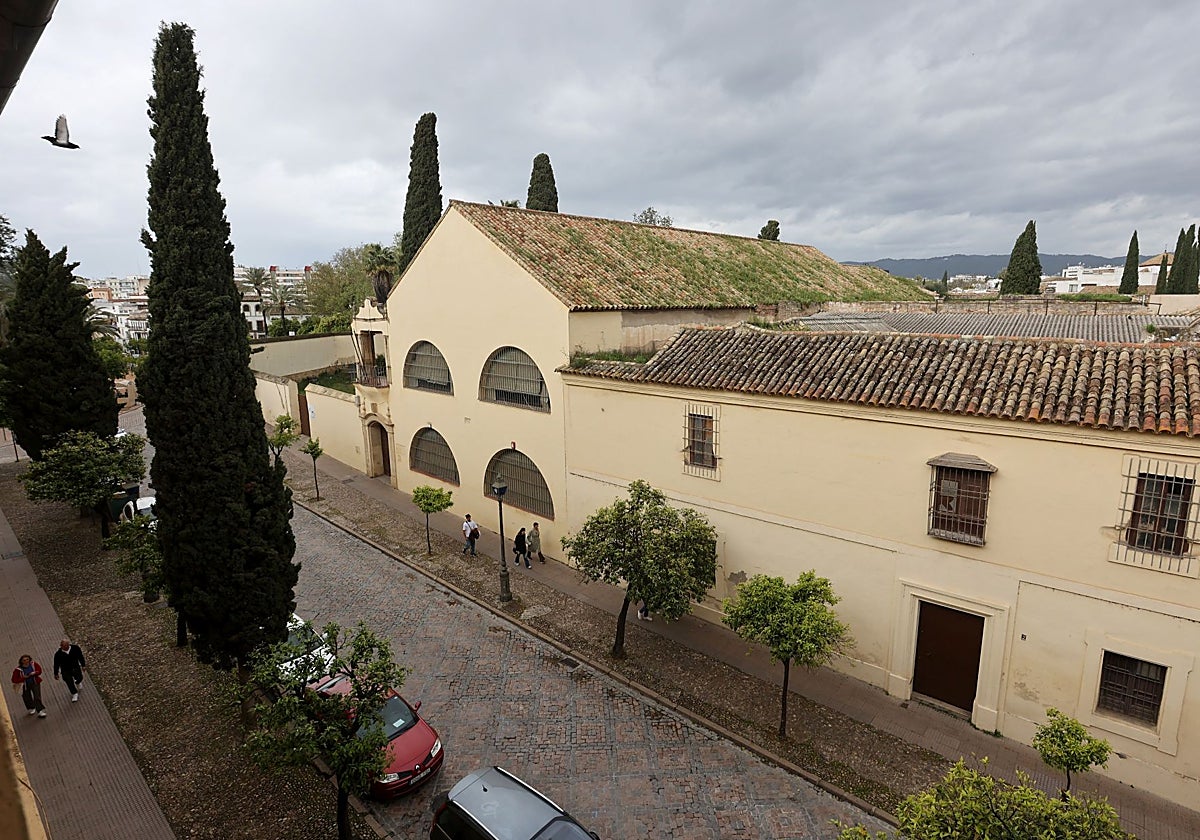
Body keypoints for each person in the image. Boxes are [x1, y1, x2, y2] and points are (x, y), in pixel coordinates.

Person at [53, 638, 87, 702]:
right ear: (61, 646)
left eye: (66, 645)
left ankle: (78, 682)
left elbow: (80, 656)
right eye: (63, 645)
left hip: (75, 667)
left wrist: (83, 665)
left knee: (79, 677)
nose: (65, 647)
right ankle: (74, 693)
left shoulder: (75, 648)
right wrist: (56, 673)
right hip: (65, 670)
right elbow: (56, 664)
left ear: (69, 644)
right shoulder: (58, 654)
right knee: (69, 682)